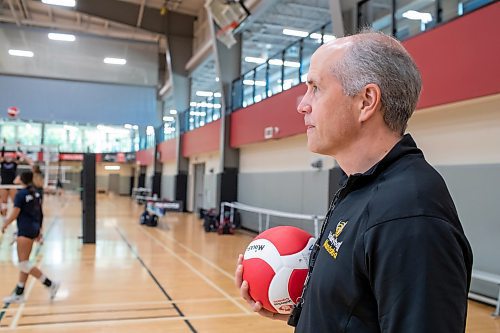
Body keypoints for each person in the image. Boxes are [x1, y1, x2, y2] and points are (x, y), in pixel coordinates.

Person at [235, 30, 473, 332]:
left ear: (366, 101)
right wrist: (303, 315)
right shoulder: (359, 188)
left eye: (315, 88)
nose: (302, 105)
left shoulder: (409, 214)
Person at [1, 171, 59, 304]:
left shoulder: (20, 194)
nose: (15, 178)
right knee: (24, 263)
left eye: (17, 176)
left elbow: (15, 214)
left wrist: (4, 225)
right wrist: (39, 231)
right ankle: (19, 293)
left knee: (24, 264)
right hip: (33, 229)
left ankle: (50, 284)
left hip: (25, 230)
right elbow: (40, 214)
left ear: (21, 180)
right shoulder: (35, 193)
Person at [0, 140, 22, 215]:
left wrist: (18, 146)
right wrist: (4, 145)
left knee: (15, 201)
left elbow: (18, 156)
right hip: (4, 185)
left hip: (12, 185)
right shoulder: (2, 163)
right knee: (4, 202)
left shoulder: (14, 163)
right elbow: (1, 155)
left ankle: (15, 216)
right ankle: (3, 216)